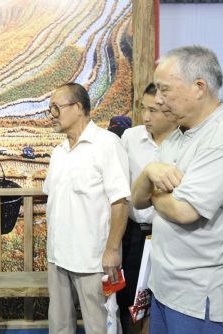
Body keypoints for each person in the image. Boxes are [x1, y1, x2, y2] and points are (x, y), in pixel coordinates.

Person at [132, 46, 223, 333]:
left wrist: (156, 193)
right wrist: (150, 171)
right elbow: (138, 198)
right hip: (166, 285)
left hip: (200, 296)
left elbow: (185, 211)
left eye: (165, 89)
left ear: (199, 87)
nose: (159, 99)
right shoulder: (179, 134)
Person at [43, 82, 130, 333]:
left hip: (94, 260)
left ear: (78, 107)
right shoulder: (58, 152)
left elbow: (120, 201)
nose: (52, 116)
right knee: (59, 326)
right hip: (58, 257)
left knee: (100, 326)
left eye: (56, 108)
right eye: (50, 110)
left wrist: (112, 250)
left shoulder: (107, 144)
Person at [116, 83, 177, 333]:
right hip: (133, 235)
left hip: (168, 233)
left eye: (154, 110)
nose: (146, 116)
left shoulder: (183, 142)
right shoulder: (131, 137)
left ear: (171, 111)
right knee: (130, 302)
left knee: (163, 301)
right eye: (143, 108)